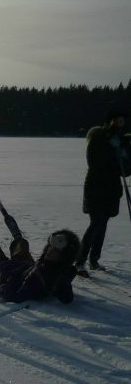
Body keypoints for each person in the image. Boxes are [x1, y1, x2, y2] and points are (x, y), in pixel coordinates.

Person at [75, 108, 130, 275]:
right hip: (96, 186)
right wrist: (113, 154)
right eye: (117, 120)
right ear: (110, 121)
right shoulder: (99, 137)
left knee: (103, 223)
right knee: (96, 222)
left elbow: (125, 171)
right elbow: (94, 162)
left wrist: (124, 156)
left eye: (122, 120)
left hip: (112, 189)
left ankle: (94, 260)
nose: (120, 123)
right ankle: (80, 261)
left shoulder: (123, 141)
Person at [0, 231, 79, 304]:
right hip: (25, 266)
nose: (50, 251)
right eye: (50, 247)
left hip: (4, 272)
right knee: (22, 252)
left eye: (56, 251)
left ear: (64, 257)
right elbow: (66, 298)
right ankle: (18, 241)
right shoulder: (50, 267)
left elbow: (17, 295)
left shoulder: (37, 276)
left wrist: (2, 289)